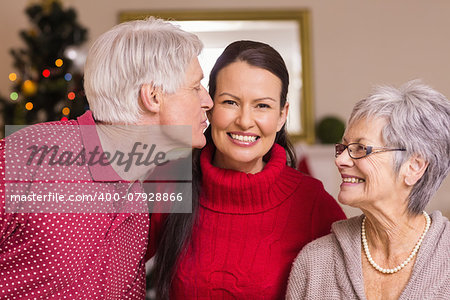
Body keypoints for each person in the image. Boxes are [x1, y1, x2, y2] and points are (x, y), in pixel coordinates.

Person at [0, 17, 213, 299]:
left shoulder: (136, 200)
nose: (207, 100)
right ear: (152, 97)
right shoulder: (24, 159)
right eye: (196, 87)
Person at [149, 40, 346, 299]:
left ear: (282, 115)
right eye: (230, 102)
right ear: (209, 105)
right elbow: (112, 270)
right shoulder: (169, 182)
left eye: (262, 105)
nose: (244, 121)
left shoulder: (311, 201)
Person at [286, 80, 450, 300]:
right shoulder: (315, 263)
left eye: (360, 148)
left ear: (414, 166)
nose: (341, 160)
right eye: (343, 147)